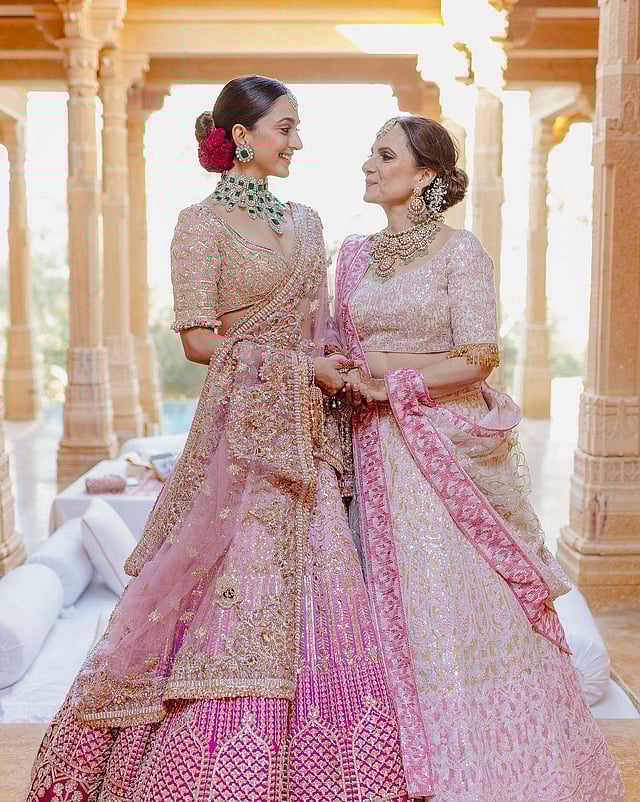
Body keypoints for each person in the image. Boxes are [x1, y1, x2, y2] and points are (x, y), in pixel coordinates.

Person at [26, 77, 408, 802]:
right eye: (285, 128)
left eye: (296, 129)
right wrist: (302, 368)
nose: (297, 142)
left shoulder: (308, 222)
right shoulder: (200, 225)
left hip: (307, 432)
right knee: (220, 583)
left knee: (323, 584)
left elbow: (321, 327)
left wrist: (342, 373)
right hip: (239, 432)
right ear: (242, 136)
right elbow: (198, 342)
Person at [328, 115, 625, 802]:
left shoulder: (459, 252)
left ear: (425, 175)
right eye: (370, 153)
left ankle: (481, 763)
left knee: (452, 600)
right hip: (371, 447)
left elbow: (477, 356)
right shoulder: (353, 255)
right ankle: (399, 766)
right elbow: (345, 348)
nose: (368, 165)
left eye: (384, 155)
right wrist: (349, 377)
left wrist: (391, 382)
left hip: (438, 447)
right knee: (380, 603)